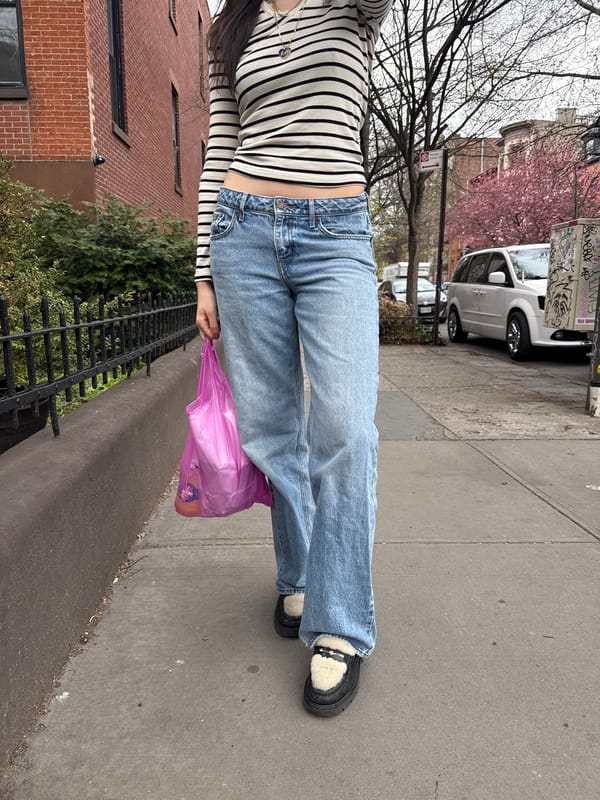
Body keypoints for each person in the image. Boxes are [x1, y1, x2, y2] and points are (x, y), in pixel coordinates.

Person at [195, 0, 392, 716]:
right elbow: (221, 142)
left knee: (344, 428)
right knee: (271, 431)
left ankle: (339, 625)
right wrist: (203, 271)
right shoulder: (229, 24)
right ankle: (300, 573)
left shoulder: (353, 9)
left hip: (335, 235)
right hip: (241, 233)